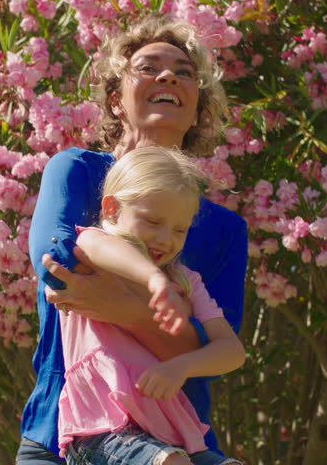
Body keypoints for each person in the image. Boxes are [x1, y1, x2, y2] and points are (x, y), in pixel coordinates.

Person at [17, 17, 248, 464]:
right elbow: (60, 267)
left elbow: (214, 351)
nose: (168, 77)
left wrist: (126, 309)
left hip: (181, 440)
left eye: (184, 72)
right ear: (115, 100)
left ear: (198, 106)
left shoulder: (223, 229)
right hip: (65, 440)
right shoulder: (77, 172)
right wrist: (170, 316)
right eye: (148, 67)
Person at [58, 147, 245, 464]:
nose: (165, 238)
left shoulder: (187, 282)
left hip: (166, 436)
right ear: (112, 210)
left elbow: (232, 351)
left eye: (179, 229)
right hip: (100, 433)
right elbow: (93, 244)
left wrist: (181, 366)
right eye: (152, 221)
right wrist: (151, 278)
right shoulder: (93, 253)